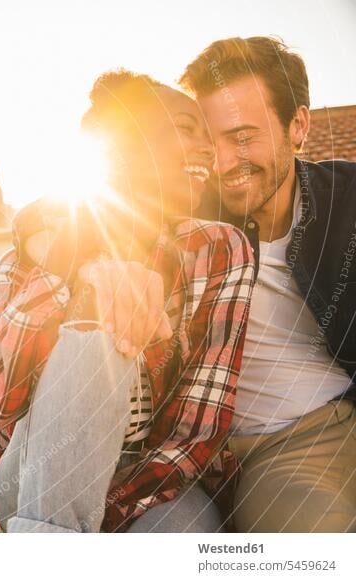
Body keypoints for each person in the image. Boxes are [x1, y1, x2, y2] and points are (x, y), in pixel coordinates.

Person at [0, 69, 256, 533]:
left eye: (207, 135)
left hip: (156, 480)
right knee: (99, 310)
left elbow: (197, 430)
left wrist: (101, 512)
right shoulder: (28, 258)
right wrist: (69, 277)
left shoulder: (220, 251)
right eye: (185, 130)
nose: (207, 147)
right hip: (30, 471)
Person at [180, 36, 356, 532]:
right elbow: (79, 212)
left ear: (297, 125)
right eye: (209, 139)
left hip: (310, 435)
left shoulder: (347, 200)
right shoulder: (185, 207)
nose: (223, 160)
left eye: (241, 137)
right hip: (202, 453)